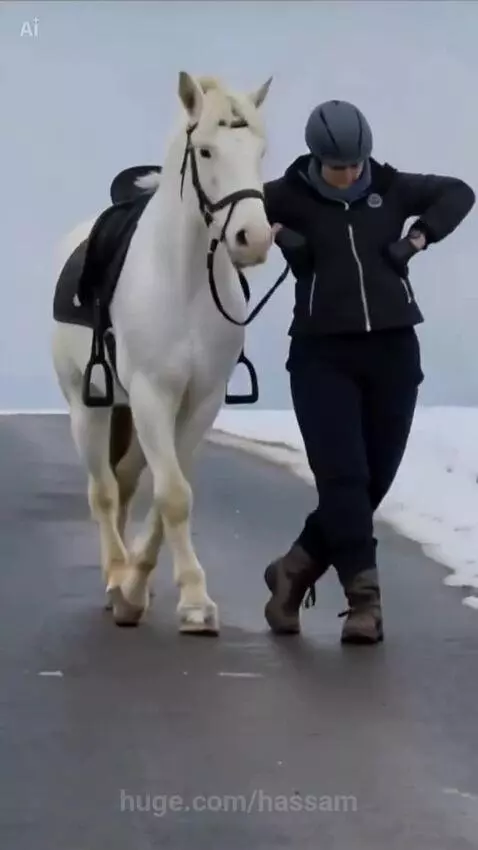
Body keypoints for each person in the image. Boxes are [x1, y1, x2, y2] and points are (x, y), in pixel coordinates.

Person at [262, 99, 475, 644]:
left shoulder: (393, 186)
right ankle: (365, 603)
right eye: (339, 166)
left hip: (394, 352)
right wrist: (280, 236)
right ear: (315, 158)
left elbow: (459, 192)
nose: (351, 173)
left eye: (358, 163)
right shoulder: (283, 197)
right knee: (345, 480)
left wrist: (418, 238)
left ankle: (295, 568)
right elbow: (222, 212)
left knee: (370, 483)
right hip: (321, 356)